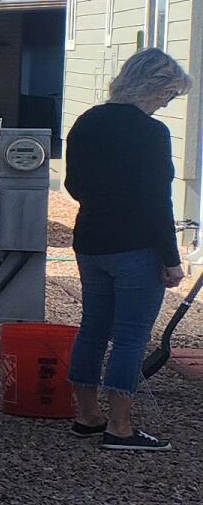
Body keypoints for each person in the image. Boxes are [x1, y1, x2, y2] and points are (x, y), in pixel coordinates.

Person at [61, 46, 194, 449]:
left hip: (91, 240)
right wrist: (171, 259)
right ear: (153, 87)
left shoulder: (87, 121)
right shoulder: (152, 132)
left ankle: (87, 415)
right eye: (168, 94)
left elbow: (72, 185)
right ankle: (120, 427)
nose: (166, 103)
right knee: (131, 337)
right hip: (136, 246)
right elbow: (157, 201)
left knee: (93, 328)